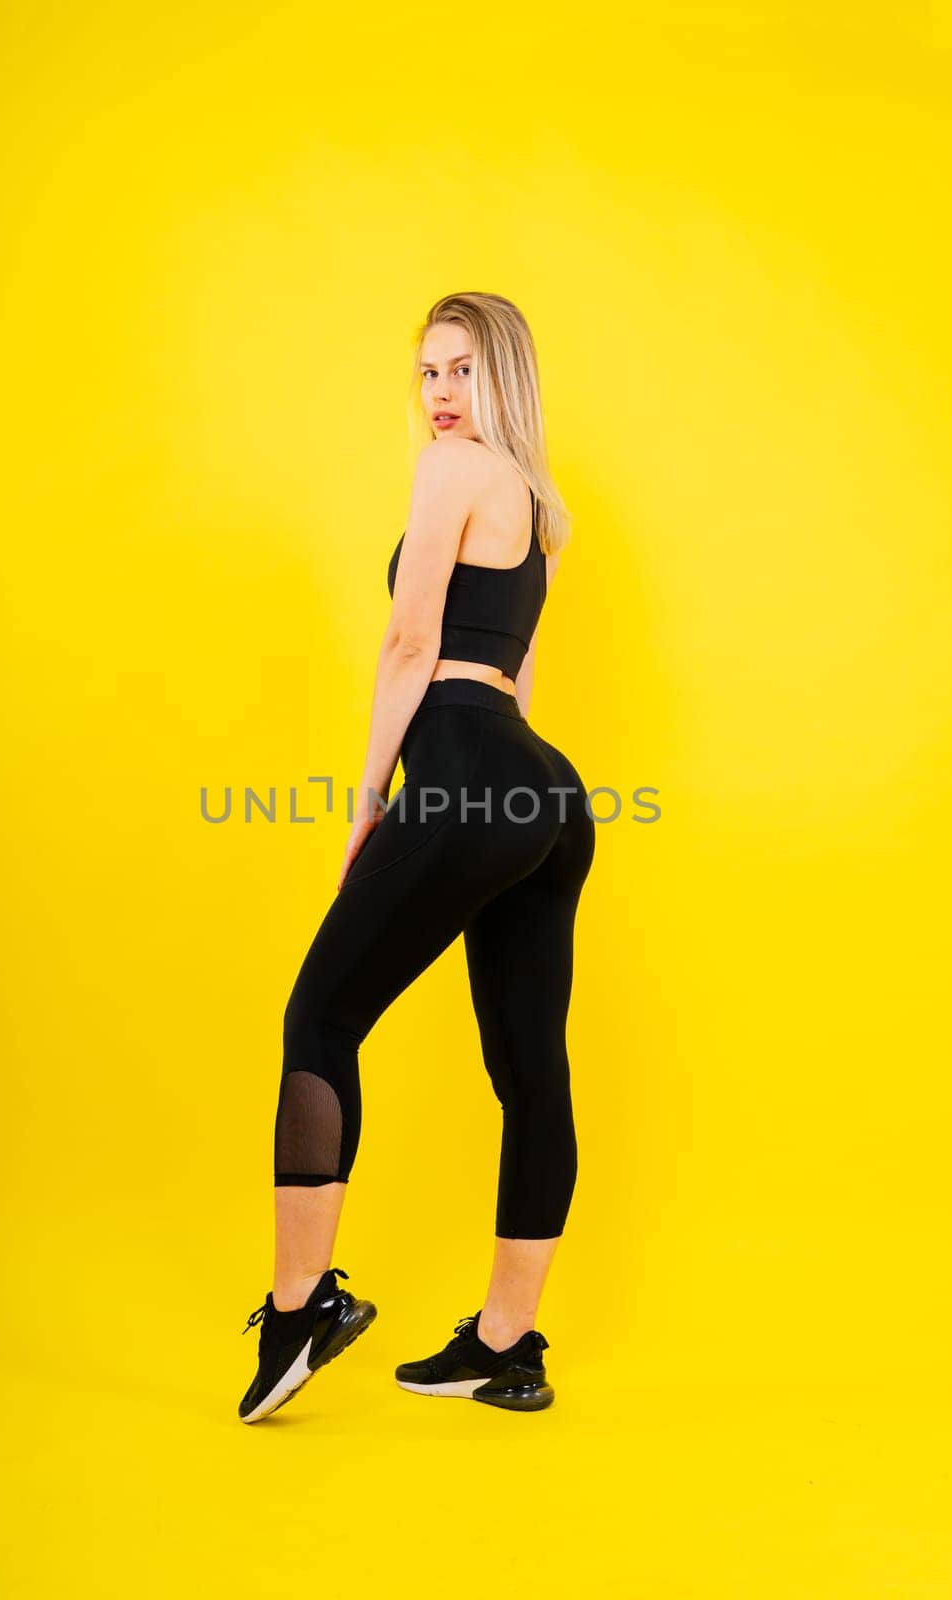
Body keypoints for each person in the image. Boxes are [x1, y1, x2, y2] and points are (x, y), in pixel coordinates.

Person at [238, 292, 596, 1423]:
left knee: (320, 1020)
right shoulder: (540, 506)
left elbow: (408, 638)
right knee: (529, 1068)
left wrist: (369, 799)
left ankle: (302, 1307)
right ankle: (505, 1342)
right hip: (545, 784)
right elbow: (521, 671)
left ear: (501, 381)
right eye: (427, 374)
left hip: (461, 770)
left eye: (460, 370)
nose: (438, 394)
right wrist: (512, 793)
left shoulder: (452, 476)